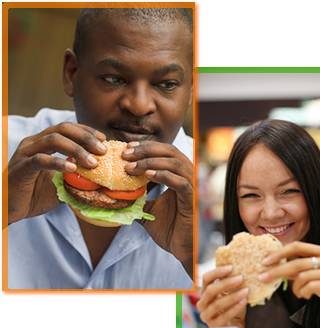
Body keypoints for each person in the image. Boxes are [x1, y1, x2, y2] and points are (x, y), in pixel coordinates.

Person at [7, 8, 194, 289]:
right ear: (72, 73)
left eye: (167, 84)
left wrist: (192, 256)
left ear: (191, 89)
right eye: (113, 78)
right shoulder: (8, 149)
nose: (140, 105)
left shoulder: (230, 185)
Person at [197, 119, 320, 328]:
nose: (270, 213)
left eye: (289, 191)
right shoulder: (235, 287)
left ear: (315, 189)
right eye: (250, 195)